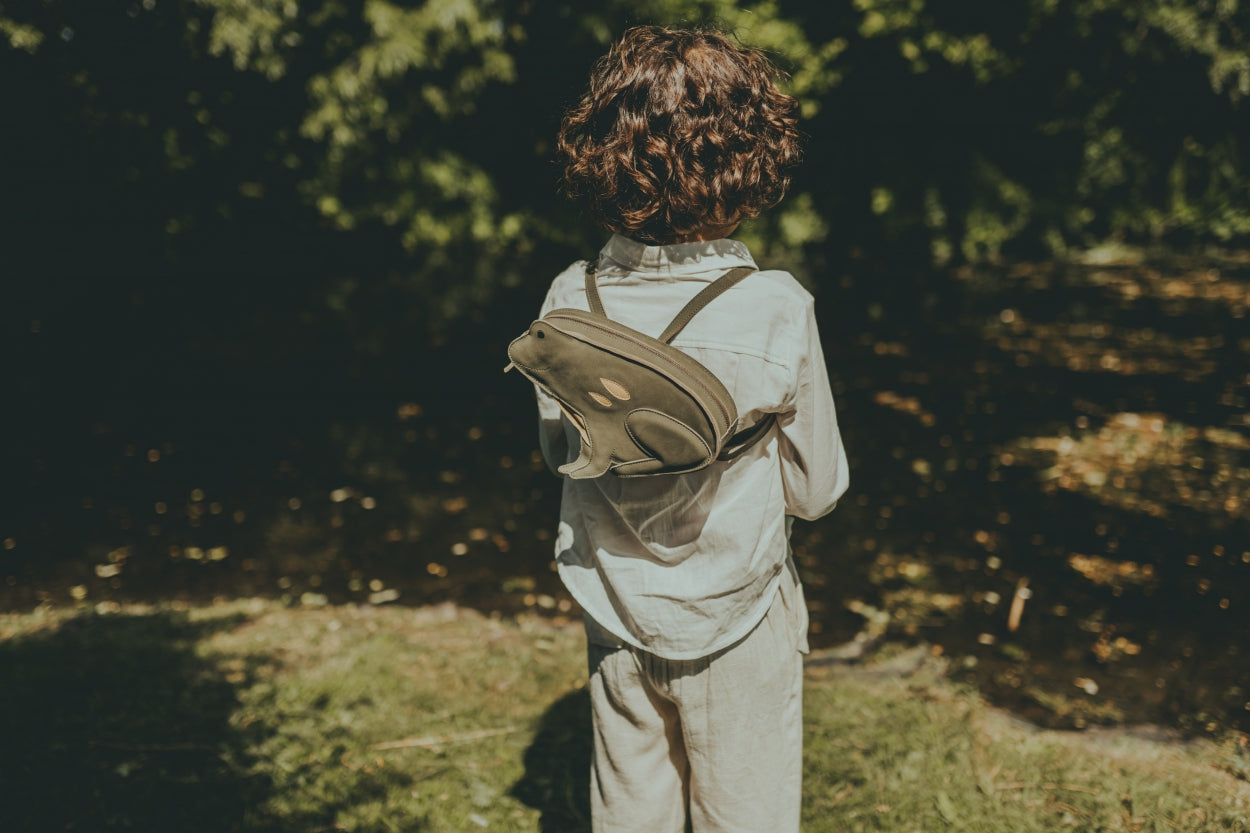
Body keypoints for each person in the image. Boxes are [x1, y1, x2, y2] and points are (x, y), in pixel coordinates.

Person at [532, 25, 849, 833]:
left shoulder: (569, 299)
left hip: (611, 604)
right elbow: (815, 492)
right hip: (738, 615)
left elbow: (559, 454)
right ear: (751, 158)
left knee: (629, 811)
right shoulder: (776, 307)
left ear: (604, 151)